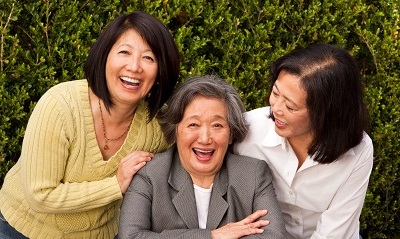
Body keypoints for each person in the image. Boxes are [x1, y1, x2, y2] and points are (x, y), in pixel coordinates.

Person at [0, 11, 179, 239]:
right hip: (22, 229)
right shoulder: (61, 105)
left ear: (161, 72)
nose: (134, 66)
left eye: (149, 58)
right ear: (104, 57)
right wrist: (115, 184)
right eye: (124, 52)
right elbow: (40, 194)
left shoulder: (156, 128)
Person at [118, 75, 287, 239]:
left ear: (230, 134)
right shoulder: (150, 175)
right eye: (193, 124)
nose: (205, 138)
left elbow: (274, 236)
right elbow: (130, 236)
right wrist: (212, 236)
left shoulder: (253, 174)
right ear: (176, 130)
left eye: (217, 125)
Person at [234, 44, 374, 239]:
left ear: (326, 114)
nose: (276, 109)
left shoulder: (358, 150)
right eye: (275, 93)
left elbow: (335, 232)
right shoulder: (247, 129)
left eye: (290, 107)